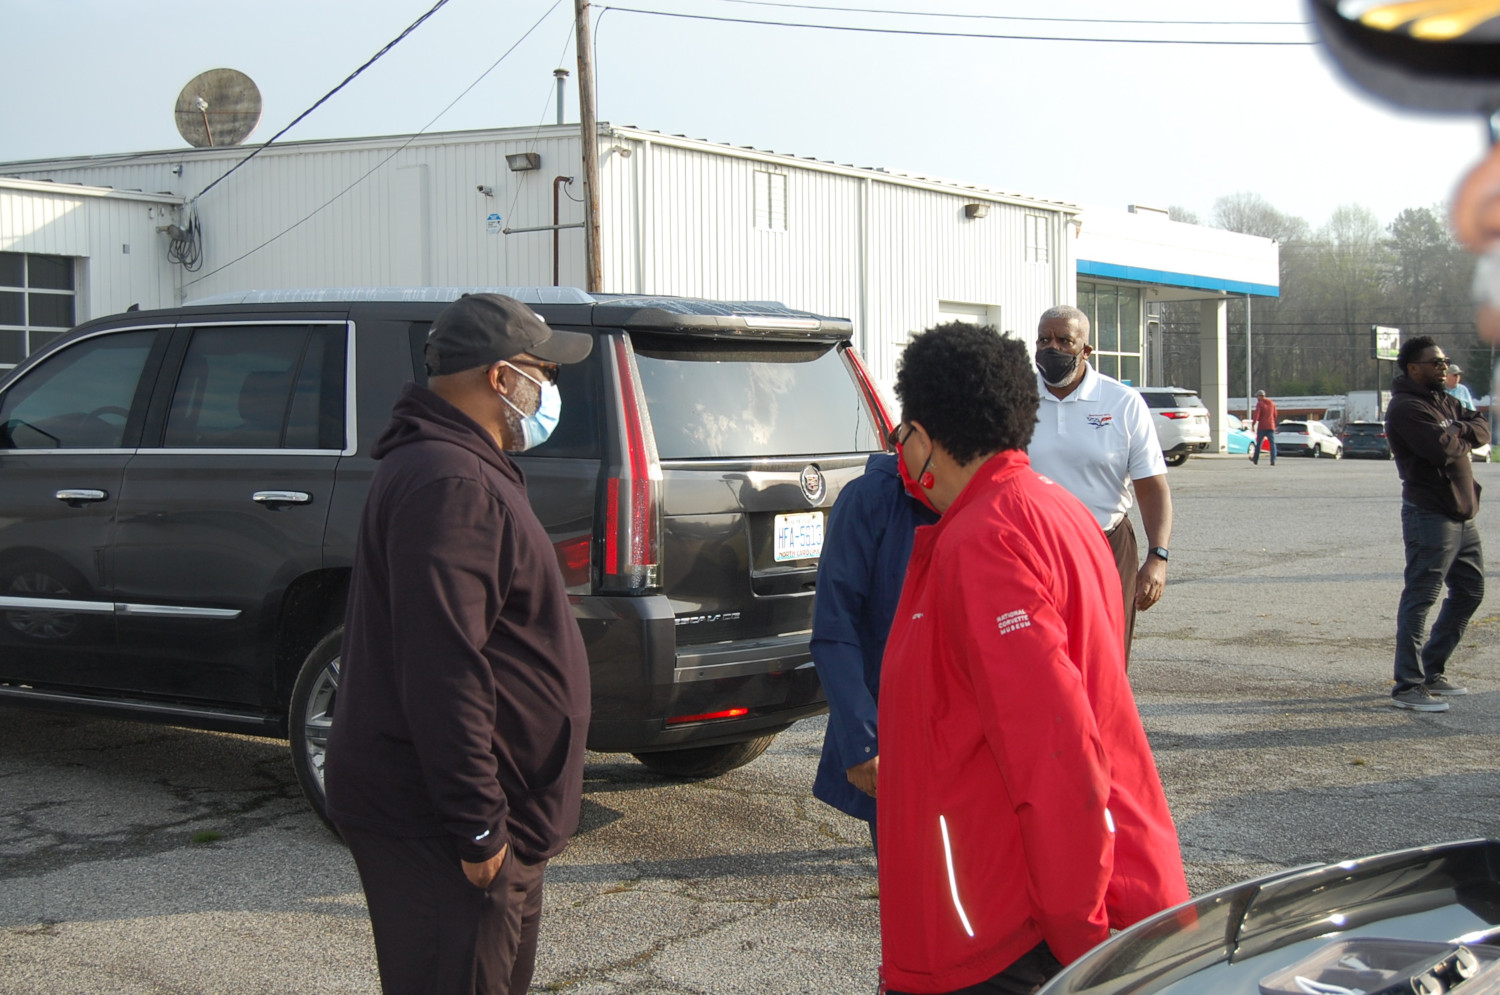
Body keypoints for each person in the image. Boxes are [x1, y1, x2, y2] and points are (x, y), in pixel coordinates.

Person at [878, 322, 1189, 995]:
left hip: (998, 931)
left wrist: (1080, 934)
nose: (900, 453)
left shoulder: (985, 541)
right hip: (1015, 913)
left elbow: (1054, 750)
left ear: (925, 438)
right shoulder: (1057, 511)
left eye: (901, 436)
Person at [324, 293, 594, 995]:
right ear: (501, 378)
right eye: (543, 370)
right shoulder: (451, 481)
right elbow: (444, 665)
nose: (551, 389)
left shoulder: (461, 465)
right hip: (449, 828)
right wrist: (479, 826)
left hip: (491, 817)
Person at [1026, 305, 1173, 662]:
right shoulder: (1013, 399)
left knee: (1103, 659)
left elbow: (1152, 486)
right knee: (1034, 660)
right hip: (1029, 551)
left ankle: (1099, 721)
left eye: (1065, 340)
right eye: (1044, 339)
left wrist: (1158, 555)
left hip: (1106, 545)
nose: (1053, 348)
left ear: (1085, 350)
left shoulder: (1122, 403)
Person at [810, 447, 937, 847]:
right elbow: (835, 628)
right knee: (912, 891)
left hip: (971, 743)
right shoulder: (870, 499)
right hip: (898, 738)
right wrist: (863, 740)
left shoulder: (991, 500)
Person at [1383, 336, 1489, 712]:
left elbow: (1482, 426)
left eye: (1445, 361)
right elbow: (1441, 451)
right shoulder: (1407, 408)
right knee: (1421, 596)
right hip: (1429, 513)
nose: (1444, 367)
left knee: (1471, 591)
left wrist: (1459, 428)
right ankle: (1407, 686)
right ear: (1414, 368)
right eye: (1436, 362)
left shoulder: (1443, 400)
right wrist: (1461, 434)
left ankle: (1432, 669)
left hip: (1462, 513)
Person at [1250, 389, 1279, 465]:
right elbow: (1275, 414)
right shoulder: (1272, 403)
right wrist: (1272, 421)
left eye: (1257, 396)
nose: (1257, 398)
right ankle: (1273, 460)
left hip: (1262, 427)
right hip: (1271, 426)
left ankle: (1255, 459)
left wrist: (1253, 424)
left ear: (1260, 396)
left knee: (1259, 443)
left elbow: (1257, 414)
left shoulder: (1260, 403)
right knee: (1272, 444)